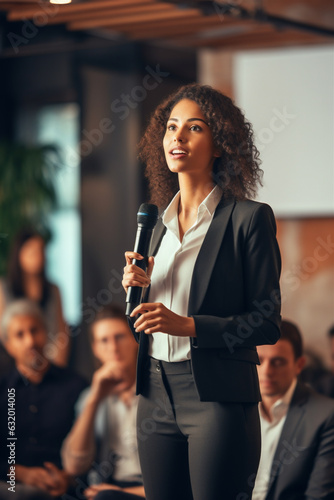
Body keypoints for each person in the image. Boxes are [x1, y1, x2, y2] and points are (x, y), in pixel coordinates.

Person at [122, 83, 281, 500]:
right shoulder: (155, 225)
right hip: (154, 392)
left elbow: (267, 323)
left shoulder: (248, 219)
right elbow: (144, 321)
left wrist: (189, 325)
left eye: (193, 128)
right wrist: (136, 291)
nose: (177, 137)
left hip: (217, 397)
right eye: (171, 127)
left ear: (219, 144)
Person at [0, 299, 87, 499]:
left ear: (47, 332)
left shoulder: (76, 386)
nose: (30, 341)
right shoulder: (2, 390)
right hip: (11, 487)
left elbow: (93, 450)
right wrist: (22, 473)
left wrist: (68, 478)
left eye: (34, 330)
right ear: (8, 345)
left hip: (66, 488)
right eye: (19, 335)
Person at [62, 304, 145, 500]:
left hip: (150, 490)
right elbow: (74, 466)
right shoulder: (90, 397)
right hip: (109, 487)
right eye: (104, 341)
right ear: (95, 349)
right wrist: (95, 399)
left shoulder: (158, 391)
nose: (113, 348)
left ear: (135, 340)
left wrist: (123, 493)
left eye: (120, 337)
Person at [253, 319, 334, 499]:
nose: (266, 371)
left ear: (299, 365)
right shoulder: (230, 410)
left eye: (278, 362)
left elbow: (319, 495)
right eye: (259, 360)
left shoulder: (326, 415)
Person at [0, 227, 69, 370]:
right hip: (15, 365)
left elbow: (62, 333)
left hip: (50, 361)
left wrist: (55, 365)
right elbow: (3, 333)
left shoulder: (53, 289)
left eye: (41, 251)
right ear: (19, 255)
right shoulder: (4, 288)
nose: (38, 256)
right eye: (32, 252)